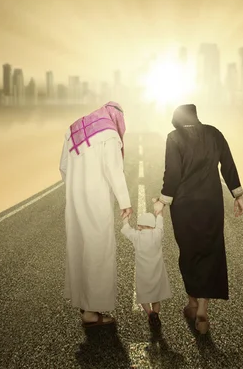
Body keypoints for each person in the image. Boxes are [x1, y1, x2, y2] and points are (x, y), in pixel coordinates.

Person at [152, 104, 243, 335]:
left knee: (189, 251)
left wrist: (162, 201)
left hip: (184, 205)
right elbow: (228, 164)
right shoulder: (214, 133)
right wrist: (237, 194)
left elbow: (172, 172)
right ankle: (203, 310)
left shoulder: (174, 137)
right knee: (211, 250)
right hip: (211, 203)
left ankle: (192, 303)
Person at [59, 101, 133, 328]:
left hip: (75, 200)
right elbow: (114, 170)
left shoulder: (72, 130)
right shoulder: (109, 134)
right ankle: (91, 312)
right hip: (97, 200)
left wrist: (74, 187)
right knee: (99, 250)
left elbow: (63, 167)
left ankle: (84, 300)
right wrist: (125, 201)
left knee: (80, 248)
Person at [121, 211, 172, 326]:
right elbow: (160, 225)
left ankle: (149, 313)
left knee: (143, 295)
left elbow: (126, 230)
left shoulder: (137, 236)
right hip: (156, 273)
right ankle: (155, 314)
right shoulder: (157, 234)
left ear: (139, 226)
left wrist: (126, 219)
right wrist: (159, 213)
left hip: (143, 274)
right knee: (156, 297)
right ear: (152, 225)